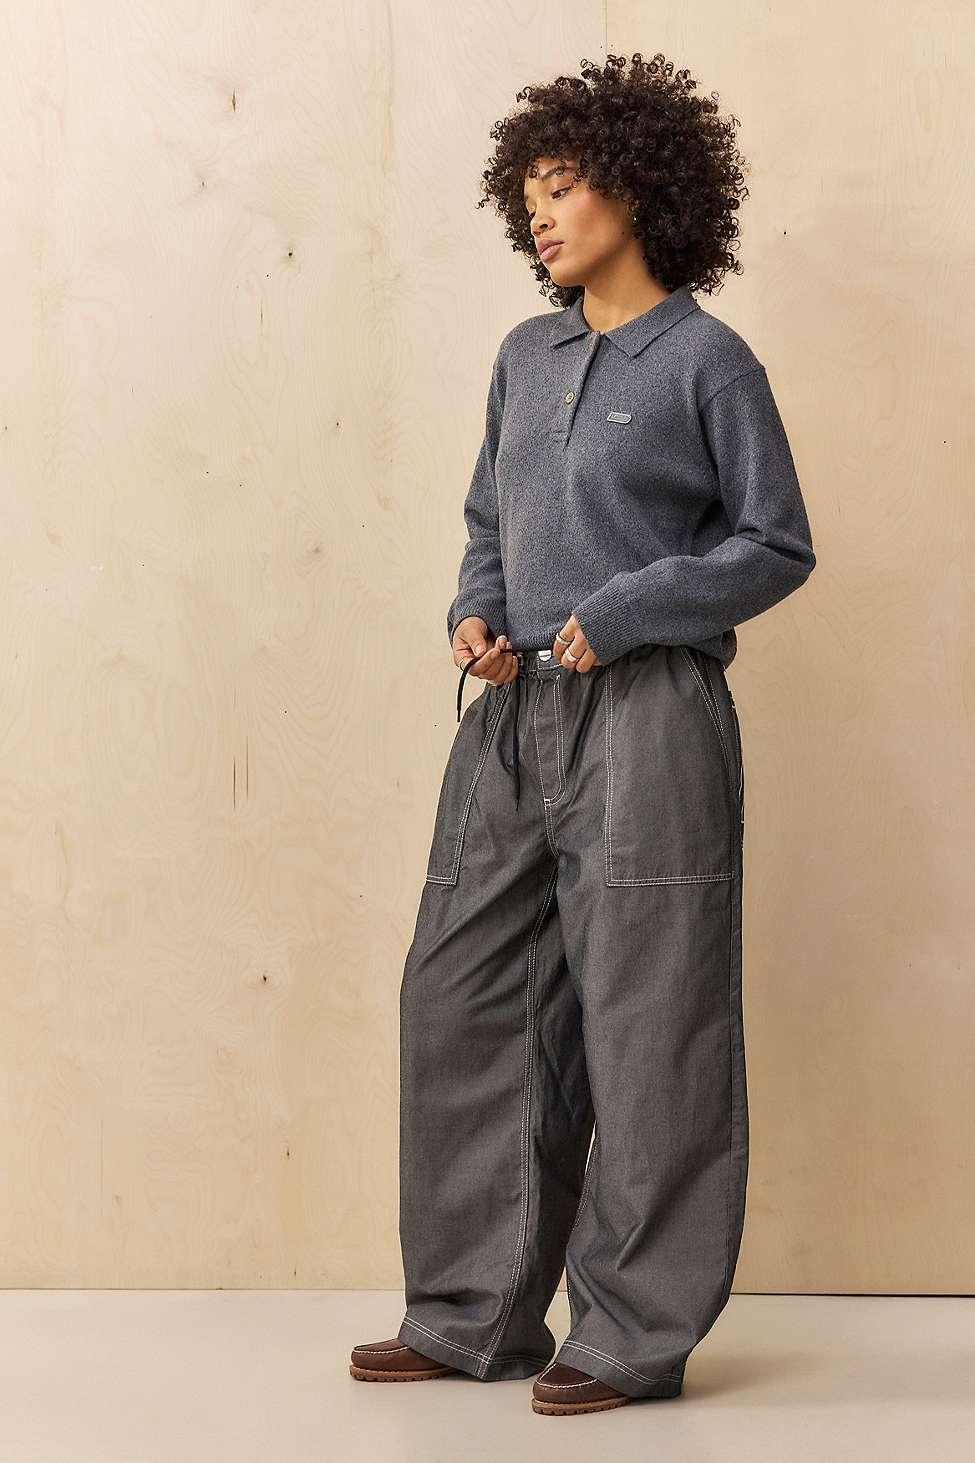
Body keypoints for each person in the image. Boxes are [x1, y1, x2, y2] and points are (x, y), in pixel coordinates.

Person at [350, 51, 816, 1417]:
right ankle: (472, 1314)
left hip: (652, 718)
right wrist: (473, 616)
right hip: (512, 719)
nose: (540, 213)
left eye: (563, 185)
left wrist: (622, 612)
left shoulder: (707, 362)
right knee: (461, 996)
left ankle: (631, 1332)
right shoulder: (526, 355)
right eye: (530, 192)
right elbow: (490, 523)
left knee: (649, 1016)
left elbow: (774, 543)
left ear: (639, 188)